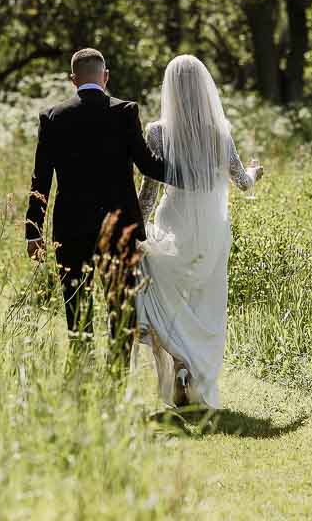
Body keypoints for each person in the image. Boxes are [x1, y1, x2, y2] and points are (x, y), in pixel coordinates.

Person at [136, 54, 263, 409]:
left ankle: (178, 359)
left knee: (160, 291)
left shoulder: (157, 131)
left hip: (174, 220)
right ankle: (194, 370)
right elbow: (241, 182)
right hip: (211, 229)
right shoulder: (219, 131)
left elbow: (150, 190)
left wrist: (134, 227)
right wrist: (256, 172)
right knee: (206, 302)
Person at [26, 48, 167, 361]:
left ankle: (82, 364)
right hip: (120, 227)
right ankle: (116, 373)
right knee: (120, 303)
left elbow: (41, 180)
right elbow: (148, 165)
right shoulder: (125, 111)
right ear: (106, 77)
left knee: (76, 303)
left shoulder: (53, 117)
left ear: (73, 80)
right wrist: (190, 171)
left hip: (70, 226)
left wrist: (32, 230)